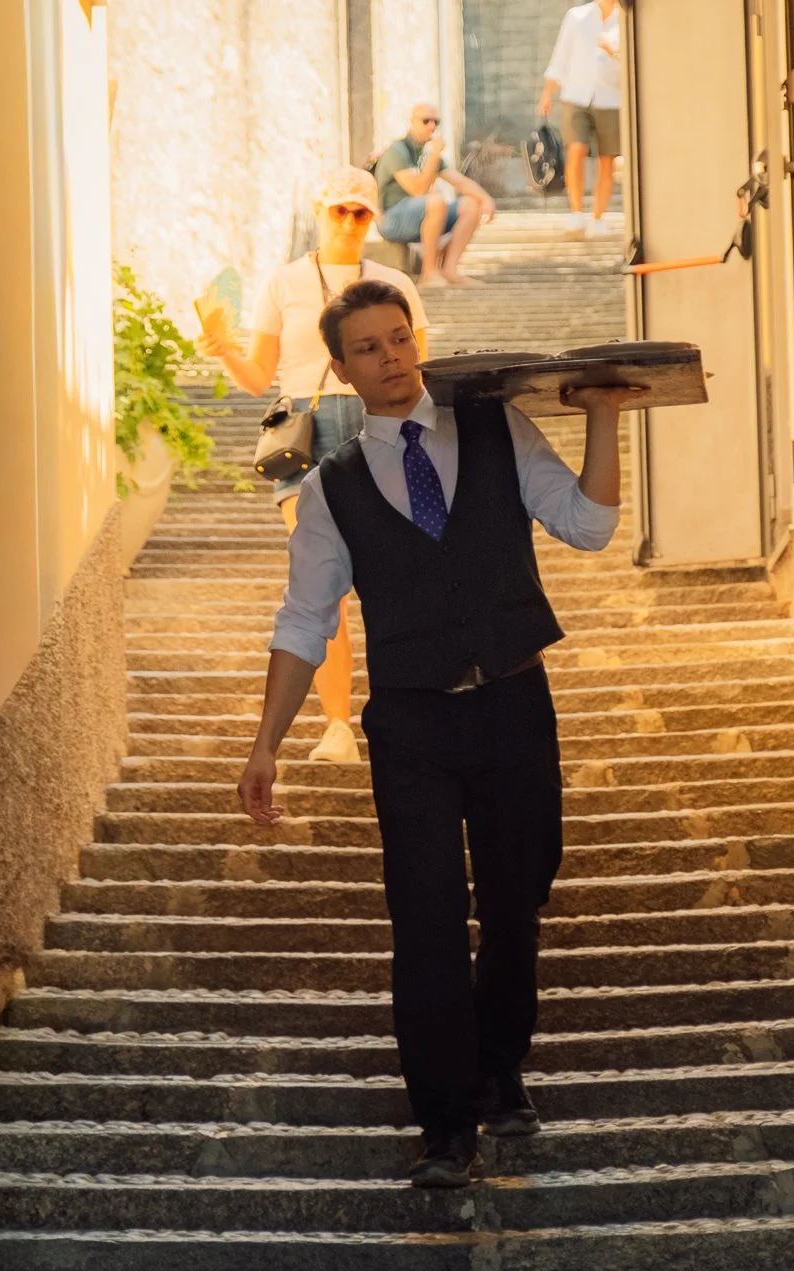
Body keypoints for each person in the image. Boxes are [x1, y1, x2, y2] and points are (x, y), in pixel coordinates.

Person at [237, 278, 642, 1188]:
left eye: (398, 338)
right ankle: (444, 1124)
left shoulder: (497, 432)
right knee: (423, 919)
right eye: (368, 348)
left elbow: (587, 526)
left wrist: (608, 421)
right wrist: (265, 741)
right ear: (339, 368)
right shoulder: (331, 489)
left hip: (511, 701)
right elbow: (305, 622)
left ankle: (499, 1067)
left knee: (514, 898)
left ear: (417, 338)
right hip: (412, 721)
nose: (390, 358)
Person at [199, 167, 428, 765]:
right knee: (323, 579)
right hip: (306, 425)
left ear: (374, 218)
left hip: (379, 423)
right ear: (319, 210)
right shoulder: (286, 282)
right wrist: (223, 348)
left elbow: (417, 371)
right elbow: (258, 376)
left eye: (361, 213)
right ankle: (336, 726)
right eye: (339, 211)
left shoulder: (393, 281)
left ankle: (406, 709)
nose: (350, 222)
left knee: (400, 571)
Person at [374, 103, 495, 287]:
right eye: (426, 121)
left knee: (470, 205)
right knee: (436, 202)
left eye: (436, 122)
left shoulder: (427, 154)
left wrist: (486, 199)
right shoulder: (398, 151)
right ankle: (429, 272)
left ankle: (449, 270)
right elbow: (418, 190)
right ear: (412, 122)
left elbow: (459, 182)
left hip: (419, 216)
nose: (432, 126)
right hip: (391, 219)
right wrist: (435, 154)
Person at [538, 0, 622, 237]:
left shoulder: (626, 17)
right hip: (576, 94)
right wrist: (547, 93)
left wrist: (612, 51)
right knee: (576, 149)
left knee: (607, 160)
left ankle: (598, 218)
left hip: (612, 98)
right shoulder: (577, 16)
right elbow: (560, 56)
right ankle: (576, 212)